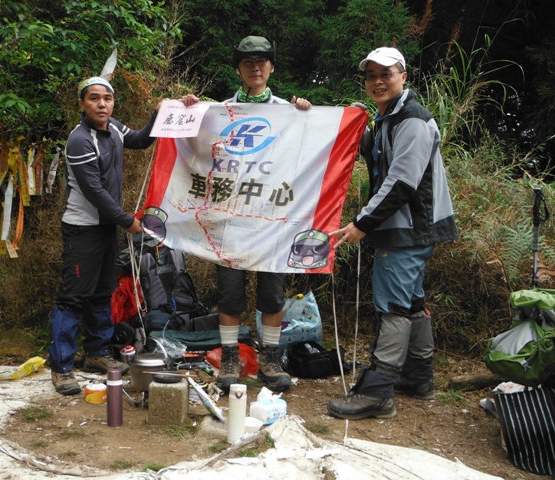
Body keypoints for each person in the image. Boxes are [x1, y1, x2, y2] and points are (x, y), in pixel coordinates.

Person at [326, 47, 459, 419]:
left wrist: (361, 223)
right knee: (412, 303)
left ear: (404, 76)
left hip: (406, 230)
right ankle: (418, 378)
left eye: (386, 73)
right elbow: (382, 165)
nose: (378, 81)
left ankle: (378, 393)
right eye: (371, 75)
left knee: (393, 308)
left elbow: (402, 183)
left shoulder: (412, 120)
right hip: (406, 229)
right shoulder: (387, 120)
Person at [181, 35, 311, 392]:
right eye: (247, 61)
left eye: (262, 61)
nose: (255, 67)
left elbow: (308, 152)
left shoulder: (290, 111)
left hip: (272, 221)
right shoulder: (221, 111)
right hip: (231, 219)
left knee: (272, 293)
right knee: (229, 293)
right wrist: (190, 110)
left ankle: (270, 358)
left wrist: (307, 116)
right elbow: (195, 148)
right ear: (238, 68)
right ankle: (230, 358)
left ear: (271, 67)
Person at [49, 76, 160, 396]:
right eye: (94, 98)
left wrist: (160, 113)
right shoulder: (79, 140)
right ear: (82, 104)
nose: (102, 104)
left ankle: (96, 354)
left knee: (102, 293)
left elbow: (139, 140)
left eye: (108, 99)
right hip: (82, 228)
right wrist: (129, 222)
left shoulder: (114, 128)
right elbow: (95, 192)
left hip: (106, 228)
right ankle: (62, 368)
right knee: (73, 297)